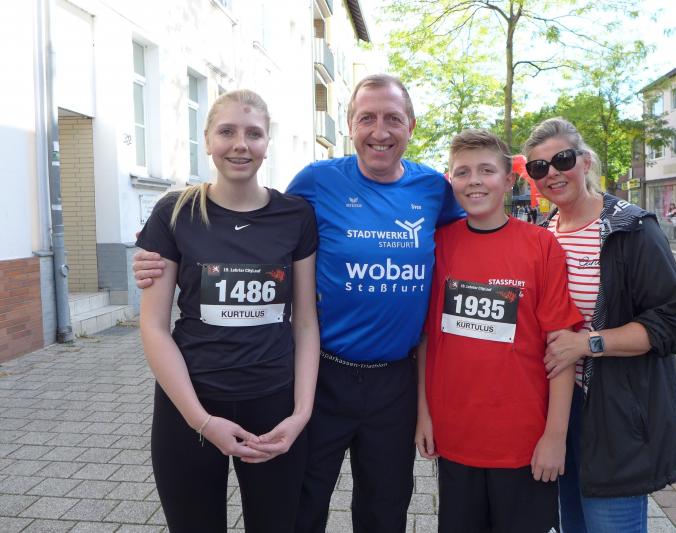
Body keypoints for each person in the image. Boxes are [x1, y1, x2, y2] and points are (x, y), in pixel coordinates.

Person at [132, 74, 464, 533]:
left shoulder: (433, 189)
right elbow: (253, 230)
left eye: (392, 118)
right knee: (304, 509)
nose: (380, 131)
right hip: (322, 374)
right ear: (350, 125)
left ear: (411, 125)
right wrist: (156, 257)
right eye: (367, 118)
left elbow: (471, 238)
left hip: (393, 380)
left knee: (385, 508)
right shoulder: (314, 183)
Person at [136, 89, 320, 532]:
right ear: (207, 139)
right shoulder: (174, 212)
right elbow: (154, 326)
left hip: (273, 403)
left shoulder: (295, 216)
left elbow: (305, 323)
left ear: (267, 142)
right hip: (190, 404)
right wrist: (200, 421)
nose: (241, 144)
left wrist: (300, 414)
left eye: (253, 133)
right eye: (227, 132)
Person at [524, 117, 676, 533]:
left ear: (585, 162)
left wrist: (589, 344)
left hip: (616, 414)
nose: (552, 173)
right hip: (557, 410)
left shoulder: (631, 228)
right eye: (539, 167)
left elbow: (671, 321)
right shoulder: (542, 235)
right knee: (572, 524)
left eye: (563, 159)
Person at [415, 129, 583, 533]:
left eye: (486, 170)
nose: (474, 181)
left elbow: (561, 348)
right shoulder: (437, 246)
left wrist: (555, 436)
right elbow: (426, 341)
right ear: (451, 181)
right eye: (462, 172)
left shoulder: (541, 245)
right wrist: (423, 414)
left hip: (524, 443)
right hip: (455, 438)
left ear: (509, 180)